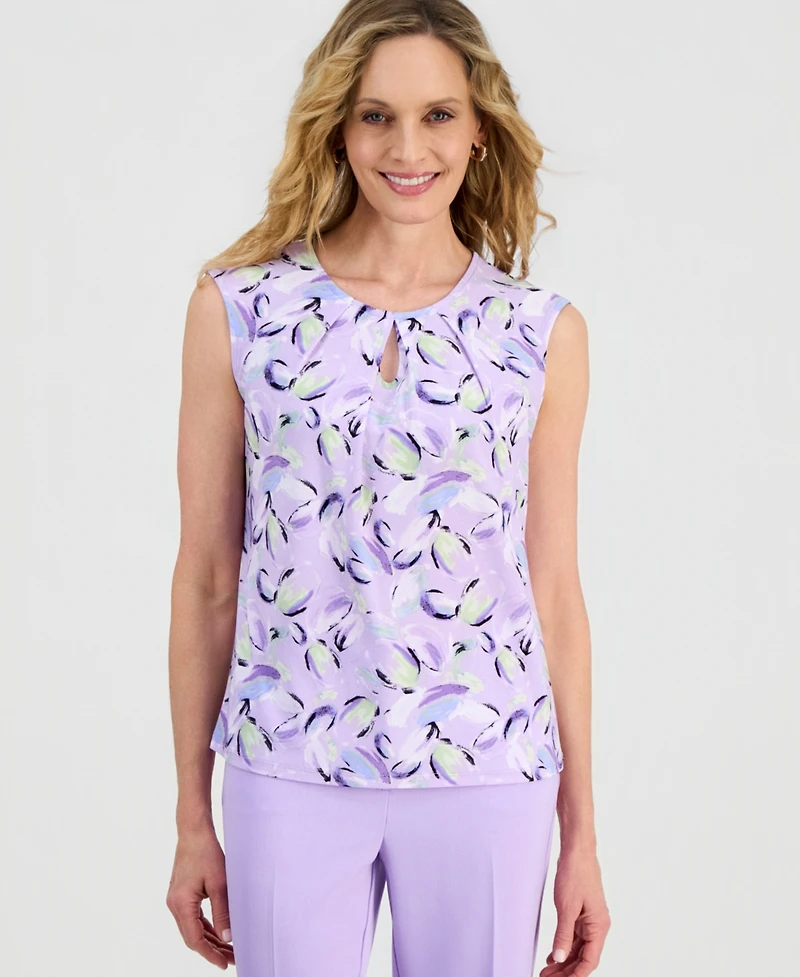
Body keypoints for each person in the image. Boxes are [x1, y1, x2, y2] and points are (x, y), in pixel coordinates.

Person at [165, 1, 610, 975]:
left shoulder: (538, 333)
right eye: (376, 116)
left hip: (488, 767)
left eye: (437, 114)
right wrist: (192, 813)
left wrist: (581, 832)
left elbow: (553, 591)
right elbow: (206, 575)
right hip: (289, 762)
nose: (408, 148)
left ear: (479, 127)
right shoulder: (241, 310)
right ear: (336, 127)